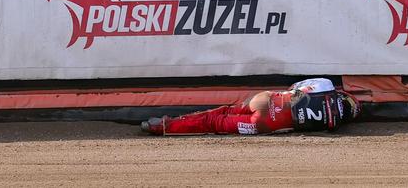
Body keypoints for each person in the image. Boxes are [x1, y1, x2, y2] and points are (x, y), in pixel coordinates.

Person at [141, 77, 361, 135]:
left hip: (268, 100)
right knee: (214, 123)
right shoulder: (334, 126)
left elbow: (296, 86)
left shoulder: (326, 86)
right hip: (263, 124)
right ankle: (163, 127)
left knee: (222, 111)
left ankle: (168, 122)